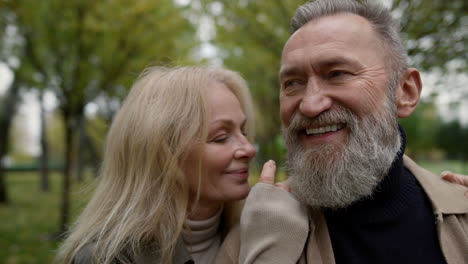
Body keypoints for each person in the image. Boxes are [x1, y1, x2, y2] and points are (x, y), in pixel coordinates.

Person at [216, 0, 468, 263]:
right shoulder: (252, 241)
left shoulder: (462, 219)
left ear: (405, 92)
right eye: (293, 83)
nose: (311, 104)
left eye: (337, 74)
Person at [55, 66, 257, 264]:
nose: (248, 149)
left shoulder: (262, 234)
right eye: (221, 137)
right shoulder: (106, 258)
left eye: (244, 132)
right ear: (163, 154)